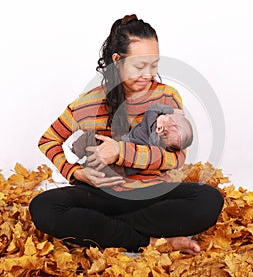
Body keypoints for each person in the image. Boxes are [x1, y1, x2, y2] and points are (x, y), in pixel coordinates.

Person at [29, 14, 224, 254]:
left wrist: (121, 152)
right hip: (100, 195)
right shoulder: (89, 102)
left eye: (154, 65)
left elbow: (177, 158)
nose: (148, 74)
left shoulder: (167, 97)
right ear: (117, 60)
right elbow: (48, 140)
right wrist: (77, 172)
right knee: (43, 207)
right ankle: (154, 242)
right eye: (140, 66)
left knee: (209, 200)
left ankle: (107, 232)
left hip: (152, 194)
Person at [71, 103, 193, 178]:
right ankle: (78, 159)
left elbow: (154, 108)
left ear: (160, 128)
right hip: (122, 159)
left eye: (166, 117)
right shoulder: (159, 146)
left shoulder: (150, 122)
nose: (164, 114)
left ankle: (76, 161)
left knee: (93, 142)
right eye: (167, 114)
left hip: (122, 157)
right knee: (95, 149)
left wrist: (172, 111)